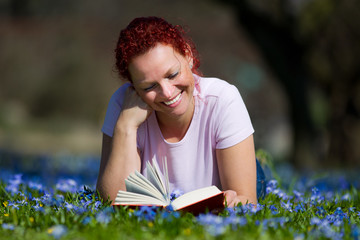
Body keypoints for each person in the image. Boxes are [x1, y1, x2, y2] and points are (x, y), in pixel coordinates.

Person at [96, 16, 265, 207]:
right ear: (132, 86)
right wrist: (126, 126)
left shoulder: (223, 98)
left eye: (172, 74)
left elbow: (246, 200)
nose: (167, 93)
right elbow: (111, 201)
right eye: (149, 86)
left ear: (187, 54)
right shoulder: (123, 104)